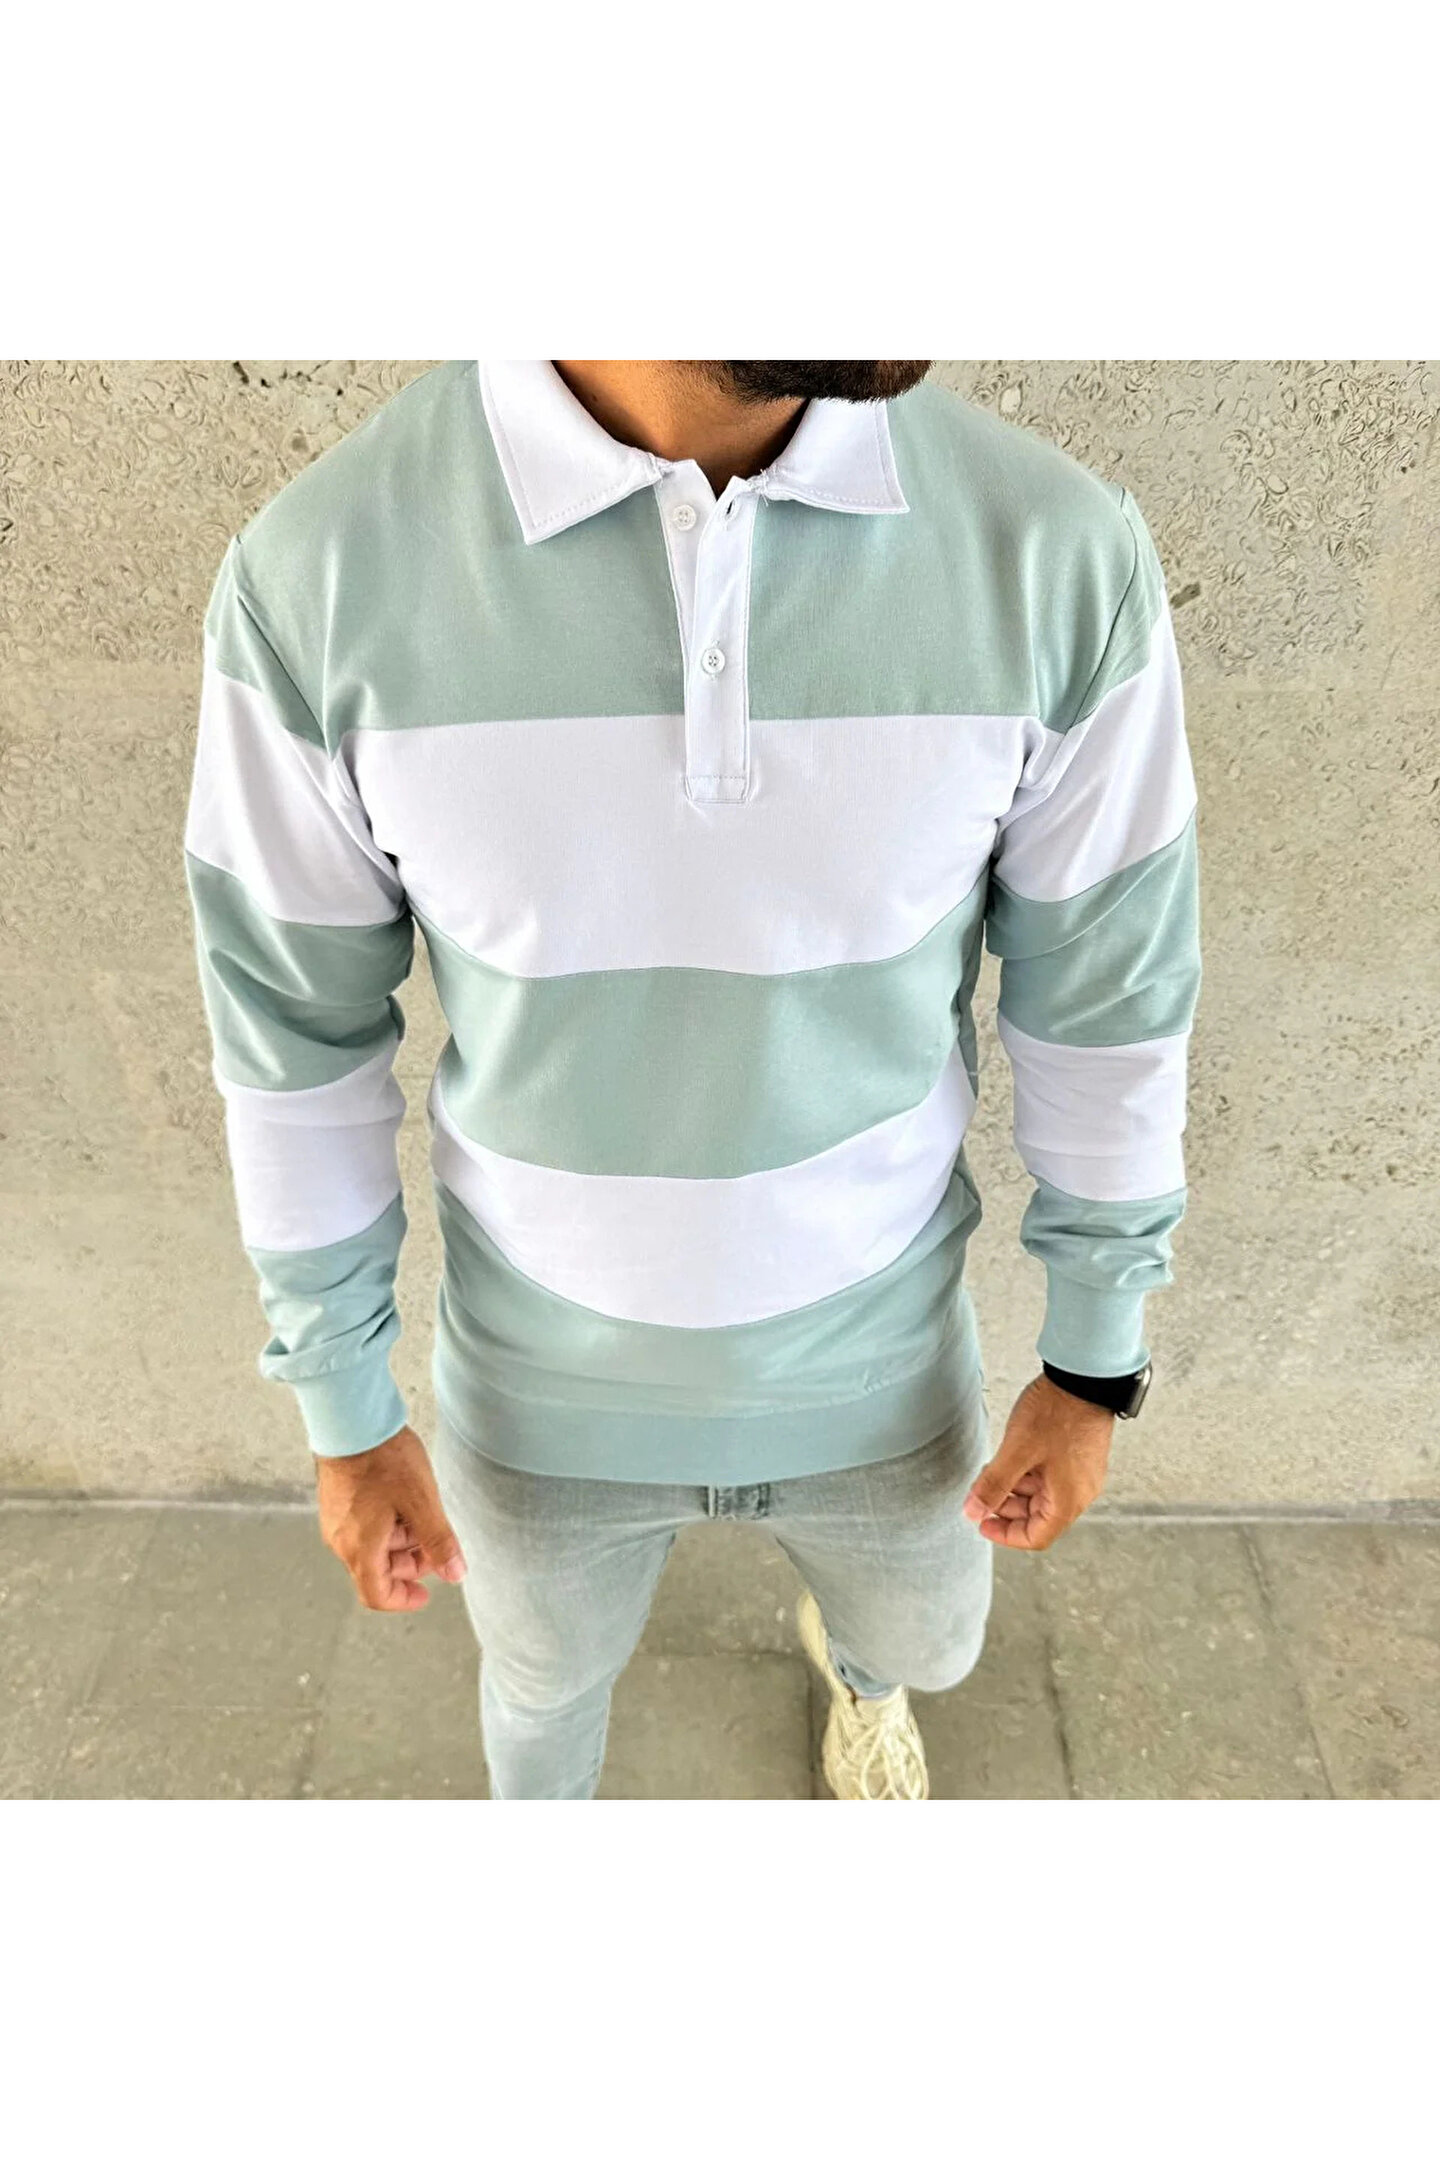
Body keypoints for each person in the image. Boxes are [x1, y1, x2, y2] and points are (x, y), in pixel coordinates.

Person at [184, 360, 1200, 1800]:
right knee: (541, 1697)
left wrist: (1095, 1356)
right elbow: (293, 1044)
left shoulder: (1058, 557)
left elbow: (1107, 1004)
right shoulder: (320, 577)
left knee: (928, 1643)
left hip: (888, 1377)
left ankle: (862, 1680)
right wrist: (344, 1410)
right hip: (537, 1404)